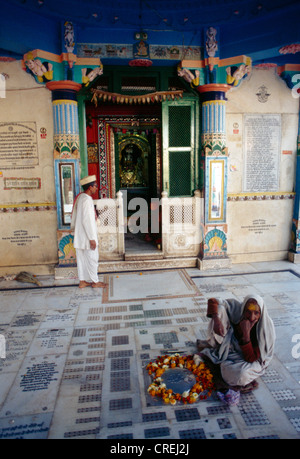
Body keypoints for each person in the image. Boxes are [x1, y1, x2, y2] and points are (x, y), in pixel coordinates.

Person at [194, 294, 275, 393]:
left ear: (261, 313)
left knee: (241, 374)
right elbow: (213, 301)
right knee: (220, 309)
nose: (252, 317)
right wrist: (216, 319)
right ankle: (221, 352)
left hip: (251, 358)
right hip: (232, 346)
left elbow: (251, 358)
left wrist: (246, 334)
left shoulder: (264, 329)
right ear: (243, 309)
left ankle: (223, 363)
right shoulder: (237, 309)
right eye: (248, 312)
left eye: (256, 313)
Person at [71, 175, 106, 289]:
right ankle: (95, 282)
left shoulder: (81, 198)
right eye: (95, 186)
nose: (96, 188)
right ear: (90, 187)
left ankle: (82, 281)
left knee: (81, 259)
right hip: (87, 236)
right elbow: (87, 221)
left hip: (80, 236)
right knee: (92, 258)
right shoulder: (86, 199)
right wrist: (92, 238)